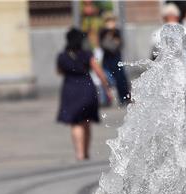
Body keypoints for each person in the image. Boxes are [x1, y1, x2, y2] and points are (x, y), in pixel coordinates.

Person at [56, 28, 112, 161]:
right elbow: (98, 71)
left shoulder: (62, 56)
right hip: (87, 89)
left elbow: (59, 72)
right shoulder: (87, 54)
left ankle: (79, 154)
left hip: (70, 89)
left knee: (75, 123)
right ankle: (85, 153)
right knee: (86, 122)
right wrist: (107, 88)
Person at [99, 14, 131, 105]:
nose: (111, 23)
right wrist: (109, 34)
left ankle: (124, 97)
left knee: (121, 78)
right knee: (106, 79)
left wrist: (113, 35)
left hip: (116, 58)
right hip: (107, 59)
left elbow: (120, 44)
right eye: (109, 21)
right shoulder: (103, 32)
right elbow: (103, 45)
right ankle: (106, 99)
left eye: (112, 20)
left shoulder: (117, 31)